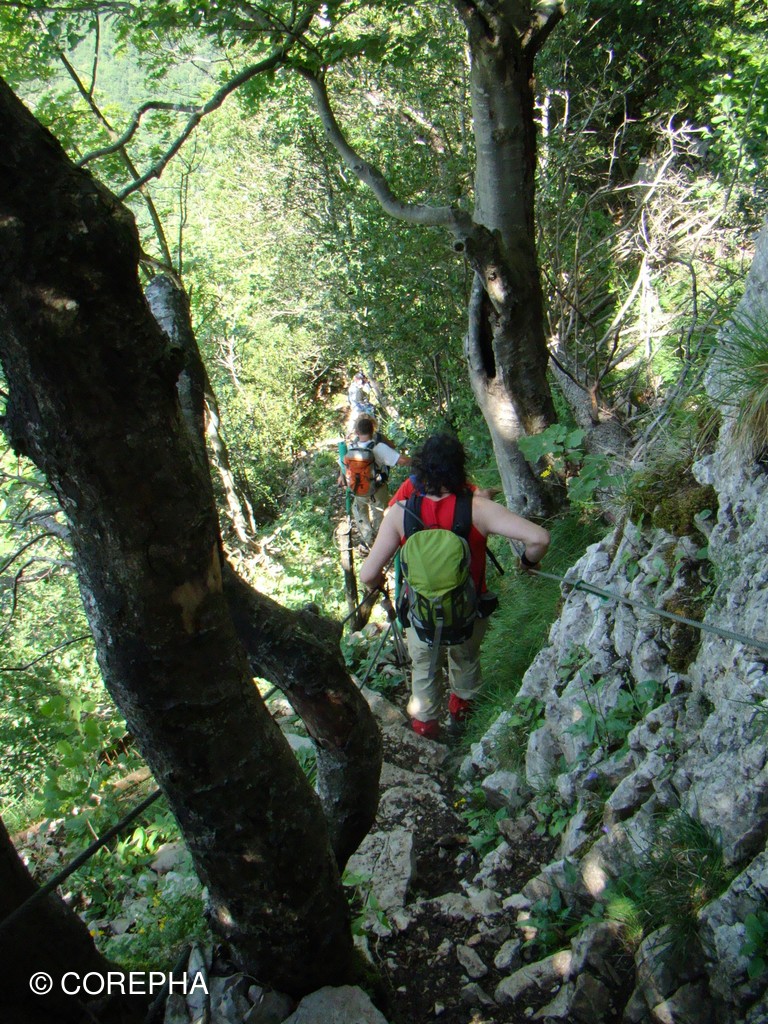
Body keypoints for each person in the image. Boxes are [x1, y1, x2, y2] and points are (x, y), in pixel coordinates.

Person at [360, 433, 550, 740]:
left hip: (420, 614)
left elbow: (368, 574)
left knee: (424, 669)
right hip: (468, 612)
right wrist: (527, 564)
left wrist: (380, 585)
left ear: (421, 469)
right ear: (459, 468)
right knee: (466, 661)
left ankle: (426, 730)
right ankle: (461, 721)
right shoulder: (479, 509)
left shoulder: (399, 513)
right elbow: (539, 539)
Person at [338, 416, 411, 547]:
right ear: (373, 431)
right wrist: (418, 461)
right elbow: (402, 461)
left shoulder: (351, 448)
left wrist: (342, 477)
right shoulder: (379, 448)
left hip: (358, 489)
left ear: (357, 432)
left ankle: (368, 541)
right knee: (381, 516)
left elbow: (343, 465)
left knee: (360, 513)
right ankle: (381, 543)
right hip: (377, 489)